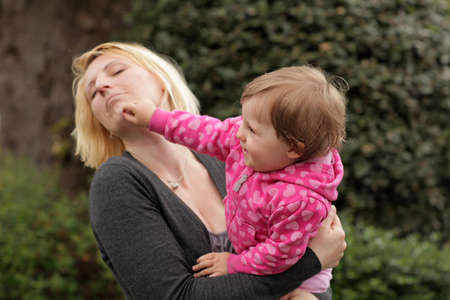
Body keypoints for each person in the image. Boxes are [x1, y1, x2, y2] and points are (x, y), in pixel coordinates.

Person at [72, 41, 347, 300]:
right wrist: (312, 262)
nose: (104, 86)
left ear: (161, 79)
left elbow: (311, 253)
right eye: (93, 92)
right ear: (99, 121)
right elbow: (175, 296)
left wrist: (311, 274)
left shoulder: (242, 162)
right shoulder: (117, 182)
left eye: (117, 71)